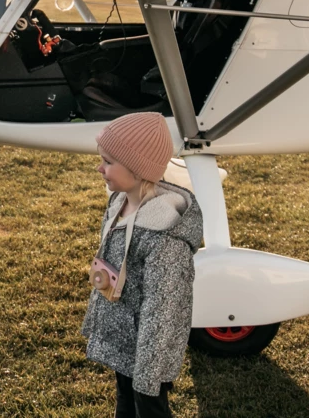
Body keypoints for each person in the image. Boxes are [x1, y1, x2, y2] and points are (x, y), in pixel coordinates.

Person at [81, 112, 203, 418]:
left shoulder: (164, 237)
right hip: (124, 340)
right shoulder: (118, 204)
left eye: (108, 161)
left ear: (137, 169)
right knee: (125, 400)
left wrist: (148, 371)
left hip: (148, 352)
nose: (100, 167)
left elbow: (163, 309)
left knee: (148, 408)